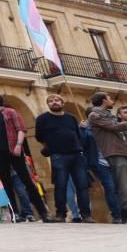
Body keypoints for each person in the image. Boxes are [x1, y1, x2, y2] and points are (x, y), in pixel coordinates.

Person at [0, 92, 54, 222]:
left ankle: (44, 213)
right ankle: (14, 213)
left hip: (13, 150)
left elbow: (21, 129)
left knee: (27, 181)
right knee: (5, 184)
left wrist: (18, 145)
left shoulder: (10, 112)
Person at [88, 93, 127, 224]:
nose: (112, 100)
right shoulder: (95, 115)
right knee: (124, 185)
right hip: (114, 153)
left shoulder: (108, 114)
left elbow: (120, 132)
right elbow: (115, 127)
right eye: (110, 98)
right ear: (103, 100)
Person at [35, 94, 93, 222]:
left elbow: (77, 135)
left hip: (77, 155)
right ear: (48, 104)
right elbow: (39, 136)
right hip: (58, 155)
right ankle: (61, 214)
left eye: (56, 100)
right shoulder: (42, 119)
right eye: (50, 101)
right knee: (60, 185)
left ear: (62, 103)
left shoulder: (71, 118)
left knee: (82, 186)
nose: (54, 102)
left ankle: (86, 215)